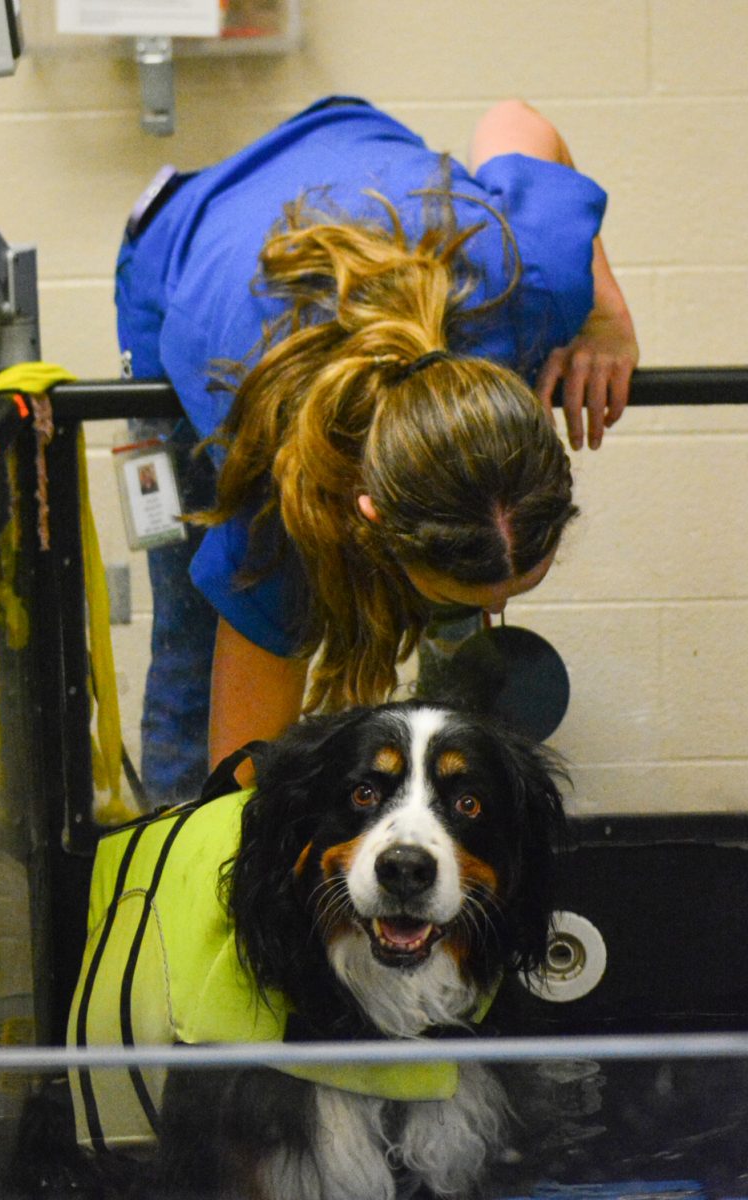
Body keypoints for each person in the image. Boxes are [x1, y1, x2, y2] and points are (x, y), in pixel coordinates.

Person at [116, 96, 638, 799]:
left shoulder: (538, 280)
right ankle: (163, 881)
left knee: (453, 599)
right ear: (368, 516)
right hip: (187, 246)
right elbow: (241, 766)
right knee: (192, 634)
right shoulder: (279, 480)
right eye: (482, 599)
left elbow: (517, 123)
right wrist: (242, 871)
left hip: (356, 152)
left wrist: (605, 314)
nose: (496, 618)